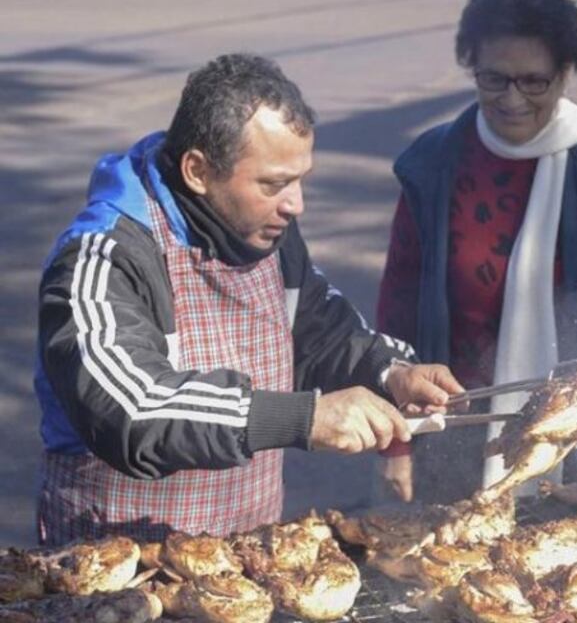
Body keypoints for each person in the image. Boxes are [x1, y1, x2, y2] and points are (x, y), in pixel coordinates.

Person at [34, 53, 463, 545]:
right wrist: (302, 419)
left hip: (244, 559)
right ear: (197, 170)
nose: (295, 204)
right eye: (274, 184)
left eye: (300, 180)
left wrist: (390, 374)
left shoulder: (266, 233)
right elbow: (130, 410)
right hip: (115, 563)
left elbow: (317, 333)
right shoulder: (103, 255)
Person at [376, 0, 577, 504]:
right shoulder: (434, 166)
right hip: (461, 430)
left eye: (535, 82)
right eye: (494, 79)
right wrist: (397, 444)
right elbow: (399, 306)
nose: (512, 100)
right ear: (471, 67)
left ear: (565, 74)